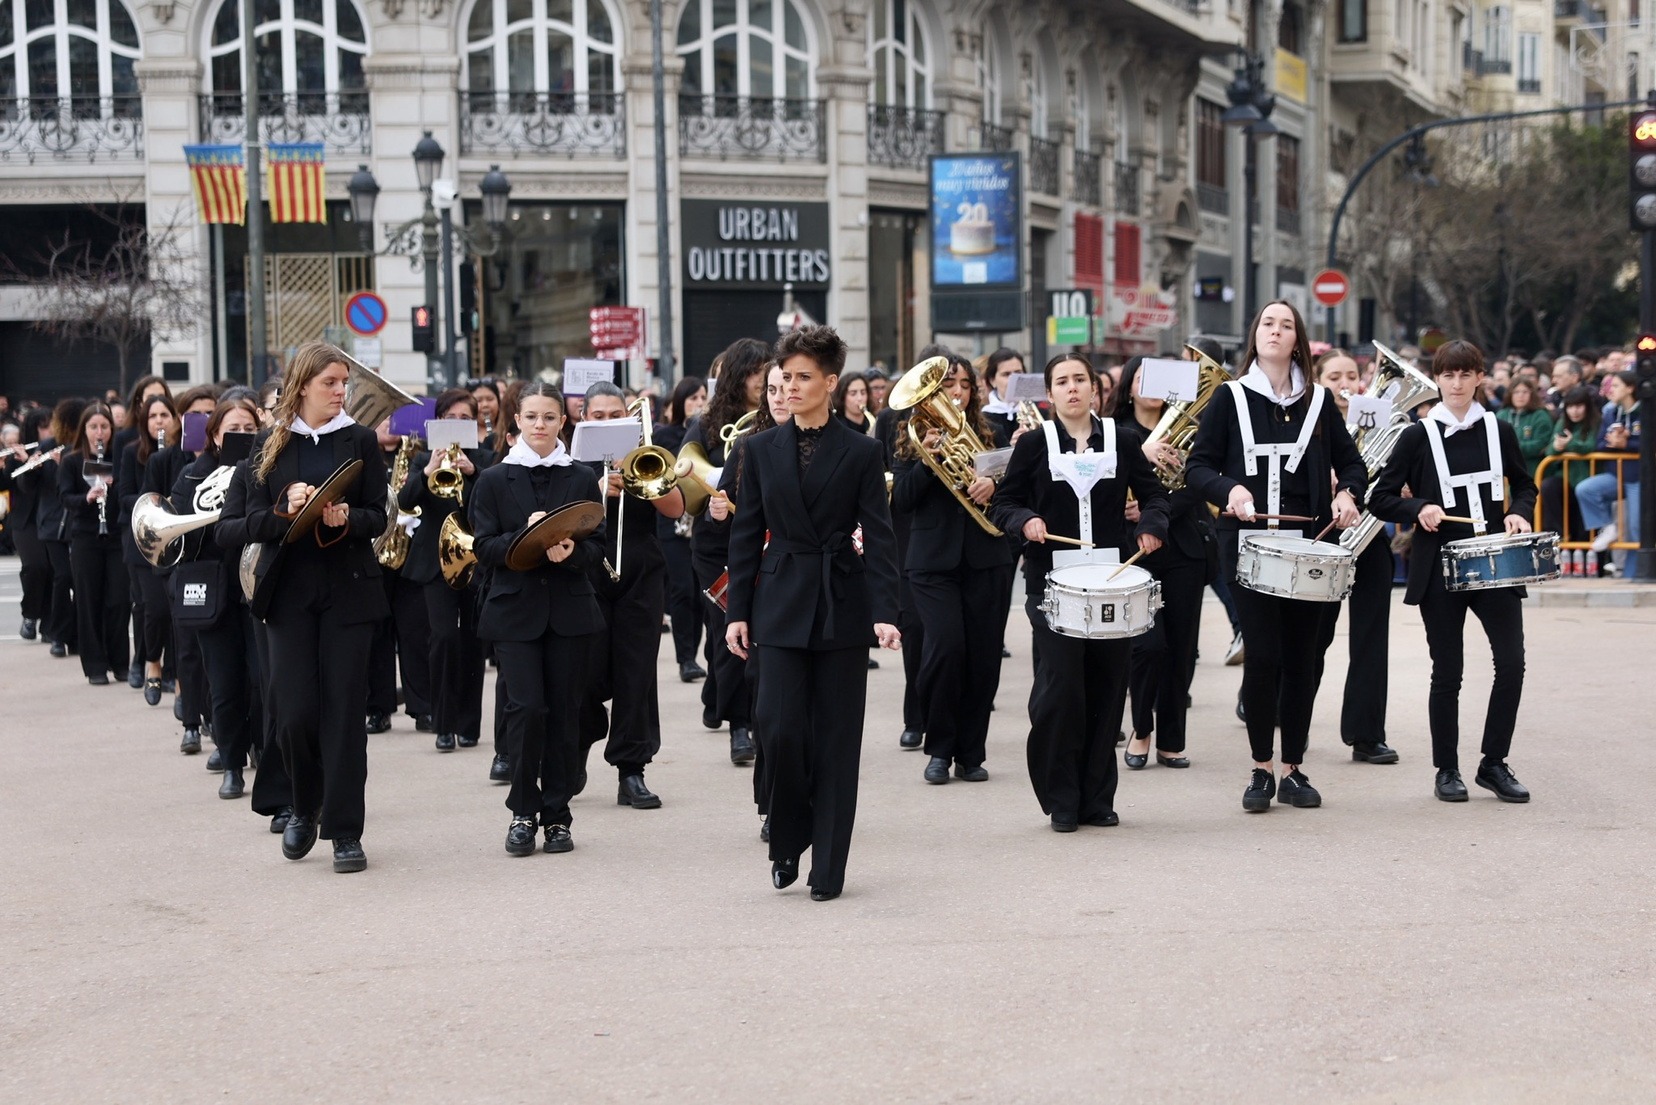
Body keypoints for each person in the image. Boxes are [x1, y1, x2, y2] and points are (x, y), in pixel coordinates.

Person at [726, 325, 901, 901]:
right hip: (778, 601)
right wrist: (737, 611)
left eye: (804, 377)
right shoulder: (758, 449)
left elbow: (879, 536)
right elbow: (745, 535)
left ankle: (828, 867)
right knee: (777, 730)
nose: (792, 387)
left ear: (831, 382)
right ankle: (787, 838)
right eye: (785, 378)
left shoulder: (863, 450)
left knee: (837, 741)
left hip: (840, 604)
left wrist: (885, 611)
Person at [1185, 300, 1367, 813]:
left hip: (1309, 548)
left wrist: (1347, 493)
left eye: (1286, 325)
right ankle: (1261, 768)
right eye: (1268, 322)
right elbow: (1198, 467)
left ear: (1297, 341)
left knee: (1302, 660)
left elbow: (1353, 465)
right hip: (1247, 548)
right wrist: (1229, 489)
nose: (1275, 330)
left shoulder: (1318, 402)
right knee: (1263, 657)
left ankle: (1293, 769)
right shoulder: (1230, 397)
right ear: (1255, 335)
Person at [988, 354, 1168, 831]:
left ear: (1095, 389)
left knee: (1107, 690)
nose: (1072, 388)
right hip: (1052, 586)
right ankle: (1061, 797)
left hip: (1111, 584)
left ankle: (1096, 798)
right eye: (1062, 381)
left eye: (1080, 380)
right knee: (1062, 690)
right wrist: (1025, 520)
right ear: (1050, 393)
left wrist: (1152, 525)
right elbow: (1004, 503)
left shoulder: (1123, 440)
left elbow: (1154, 496)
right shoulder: (1034, 444)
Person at [1369, 340, 1537, 804]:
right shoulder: (1417, 436)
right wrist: (1418, 507)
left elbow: (1525, 485)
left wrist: (1518, 511)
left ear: (1480, 377)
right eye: (1448, 375)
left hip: (1495, 561)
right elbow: (1379, 497)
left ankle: (1493, 763)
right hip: (1439, 566)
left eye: (1465, 374)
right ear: (1437, 379)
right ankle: (1447, 769)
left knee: (1512, 664)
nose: (1457, 383)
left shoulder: (1499, 430)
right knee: (1448, 672)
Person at [242, 341, 389, 874]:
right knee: (294, 714)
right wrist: (284, 510)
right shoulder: (269, 444)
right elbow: (242, 523)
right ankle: (304, 806)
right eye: (330, 382)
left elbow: (379, 515)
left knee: (345, 715)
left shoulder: (360, 440)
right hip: (289, 595)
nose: (341, 390)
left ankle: (346, 832)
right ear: (302, 385)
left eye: (344, 382)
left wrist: (346, 517)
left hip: (349, 591)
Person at [470, 383, 605, 856]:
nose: (541, 425)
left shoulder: (582, 476)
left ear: (562, 422)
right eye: (531, 417)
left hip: (569, 611)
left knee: (565, 713)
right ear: (517, 422)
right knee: (526, 709)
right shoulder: (493, 479)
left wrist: (572, 551)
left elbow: (597, 546)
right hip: (515, 612)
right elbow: (482, 547)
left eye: (549, 417)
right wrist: (523, 539)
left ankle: (558, 816)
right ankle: (523, 812)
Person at [890, 356, 1013, 785]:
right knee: (945, 650)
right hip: (932, 562)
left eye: (963, 384)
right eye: (947, 385)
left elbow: (1016, 492)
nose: (956, 392)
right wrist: (928, 462)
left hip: (987, 558)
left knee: (983, 657)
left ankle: (971, 753)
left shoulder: (992, 434)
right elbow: (901, 501)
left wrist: (995, 484)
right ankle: (940, 749)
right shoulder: (910, 438)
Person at [576, 381, 686, 808]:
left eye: (615, 416)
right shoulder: (573, 461)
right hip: (587, 570)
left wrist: (644, 473)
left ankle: (631, 769)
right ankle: (579, 741)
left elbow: (676, 508)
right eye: (598, 416)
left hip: (641, 571)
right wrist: (598, 487)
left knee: (637, 672)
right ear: (584, 418)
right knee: (584, 668)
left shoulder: (644, 452)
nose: (607, 423)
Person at [1112, 357, 1209, 771]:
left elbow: (1199, 483)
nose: (1150, 385)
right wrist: (1141, 452)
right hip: (1132, 550)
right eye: (1141, 377)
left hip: (1183, 548)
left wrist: (1158, 510)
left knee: (1181, 650)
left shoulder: (1194, 429)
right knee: (1146, 646)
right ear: (1128, 386)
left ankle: (1171, 739)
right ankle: (1141, 729)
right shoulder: (1114, 432)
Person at [1308, 350, 1400, 764]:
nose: (1344, 384)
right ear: (1317, 381)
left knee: (1370, 639)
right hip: (1322, 537)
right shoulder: (1309, 420)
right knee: (1312, 637)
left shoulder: (1384, 421)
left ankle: (1366, 735)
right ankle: (1291, 722)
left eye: (1351, 375)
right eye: (1333, 377)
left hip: (1370, 535)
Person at [174, 397, 265, 799]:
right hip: (214, 591)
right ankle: (231, 763)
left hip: (257, 587)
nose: (242, 436)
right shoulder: (193, 476)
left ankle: (262, 749)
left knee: (261, 680)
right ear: (213, 435)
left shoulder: (266, 469)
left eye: (249, 429)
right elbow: (179, 535)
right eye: (233, 430)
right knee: (224, 685)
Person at [684, 338, 768, 760]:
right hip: (717, 544)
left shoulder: (778, 417)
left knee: (762, 631)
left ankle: (731, 701)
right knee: (728, 631)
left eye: (767, 371)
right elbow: (686, 481)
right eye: (754, 372)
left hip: (766, 539)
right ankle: (740, 726)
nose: (763, 380)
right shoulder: (706, 425)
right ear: (737, 377)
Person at [396, 389, 490, 753]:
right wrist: (429, 471)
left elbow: (493, 502)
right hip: (436, 560)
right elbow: (404, 502)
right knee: (443, 638)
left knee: (473, 641)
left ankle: (468, 725)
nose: (458, 423)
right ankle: (443, 722)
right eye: (451, 418)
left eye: (465, 418)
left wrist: (473, 472)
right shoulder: (423, 458)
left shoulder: (486, 459)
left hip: (475, 559)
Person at [369, 416, 435, 735]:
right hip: (373, 554)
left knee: (415, 633)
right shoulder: (362, 452)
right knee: (376, 635)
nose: (389, 425)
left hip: (410, 554)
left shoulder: (417, 453)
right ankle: (377, 708)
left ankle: (423, 707)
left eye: (394, 418)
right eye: (383, 419)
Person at [57, 403, 129, 686]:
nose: (100, 433)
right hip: (86, 536)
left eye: (105, 427)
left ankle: (120, 662)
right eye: (94, 427)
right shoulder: (72, 461)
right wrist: (86, 497)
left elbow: (128, 492)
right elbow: (65, 497)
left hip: (115, 536)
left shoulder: (120, 459)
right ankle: (95, 665)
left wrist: (115, 484)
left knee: (119, 599)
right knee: (89, 601)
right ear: (84, 430)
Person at [117, 393, 180, 704]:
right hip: (145, 543)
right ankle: (152, 662)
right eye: (153, 416)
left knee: (176, 612)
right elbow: (125, 496)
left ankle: (176, 674)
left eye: (164, 415)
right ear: (145, 422)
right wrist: (153, 502)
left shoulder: (184, 453)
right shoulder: (134, 453)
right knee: (154, 609)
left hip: (178, 542)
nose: (159, 421)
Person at [654, 374, 708, 683]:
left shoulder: (707, 432)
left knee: (700, 592)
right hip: (672, 524)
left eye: (703, 398)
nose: (698, 403)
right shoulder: (666, 435)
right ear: (679, 403)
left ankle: (694, 655)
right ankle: (685, 658)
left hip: (699, 520)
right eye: (692, 398)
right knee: (682, 589)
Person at [1578, 371, 1642, 557]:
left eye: (1615, 386)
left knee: (1636, 529)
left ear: (1630, 388)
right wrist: (1613, 442)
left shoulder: (1647, 412)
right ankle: (1607, 527)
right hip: (1616, 474)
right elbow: (1599, 444)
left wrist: (1626, 444)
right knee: (1586, 489)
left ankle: (1637, 570)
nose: (1610, 390)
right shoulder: (1611, 413)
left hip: (1640, 478)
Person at [3, 409, 54, 642]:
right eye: (44, 427)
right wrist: (13, 463)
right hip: (25, 520)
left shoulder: (55, 452)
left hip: (51, 518)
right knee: (35, 566)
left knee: (53, 571)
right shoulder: (19, 452)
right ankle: (31, 614)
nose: (49, 431)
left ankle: (49, 624)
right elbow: (11, 483)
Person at [1538, 385, 1600, 541]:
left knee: (1582, 524)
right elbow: (1550, 450)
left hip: (1588, 478)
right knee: (1548, 486)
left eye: (1579, 406)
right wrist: (1556, 447)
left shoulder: (1596, 421)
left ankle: (1584, 549)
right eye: (1570, 407)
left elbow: (1590, 446)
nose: (1574, 411)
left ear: (1587, 406)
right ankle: (1555, 538)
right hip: (1565, 478)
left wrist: (1570, 444)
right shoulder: (1562, 422)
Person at [1496, 378, 1554, 478]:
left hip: (1532, 470)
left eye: (1525, 392)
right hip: (1504, 471)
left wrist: (1510, 447)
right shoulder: (1502, 415)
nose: (1520, 396)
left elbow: (1540, 445)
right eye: (1516, 392)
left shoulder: (1540, 415)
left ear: (1532, 394)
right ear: (1510, 394)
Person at [979, 348, 1029, 448]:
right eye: (1006, 374)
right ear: (992, 380)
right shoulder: (983, 419)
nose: (1013, 379)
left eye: (1018, 373)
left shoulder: (1037, 411)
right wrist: (1010, 447)